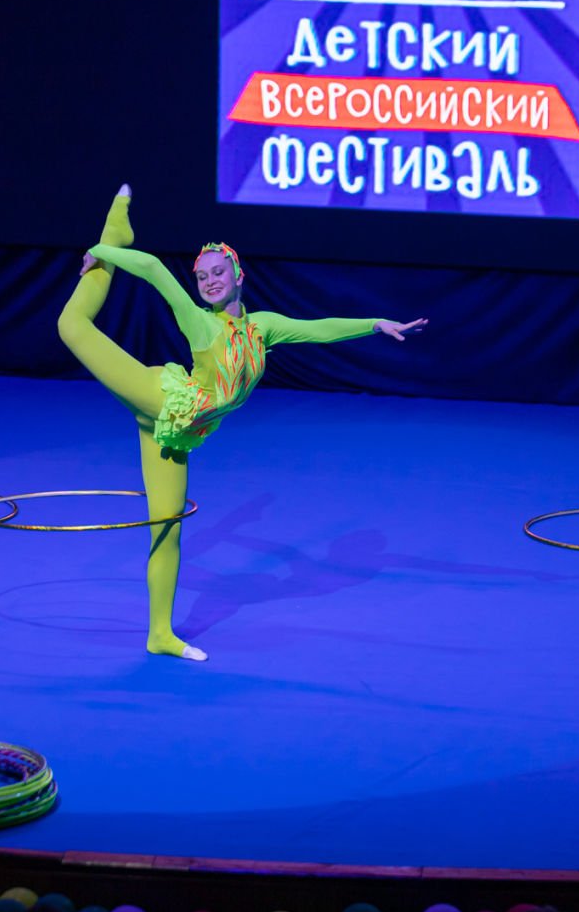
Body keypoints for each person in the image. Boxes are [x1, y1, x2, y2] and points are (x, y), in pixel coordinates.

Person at [57, 186, 427, 662]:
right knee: (72, 326)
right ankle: (114, 230)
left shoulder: (262, 328)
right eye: (202, 276)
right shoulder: (201, 323)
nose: (209, 281)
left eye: (218, 272)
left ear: (238, 276)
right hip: (159, 398)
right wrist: (103, 250)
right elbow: (152, 270)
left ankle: (160, 635)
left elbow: (318, 328)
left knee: (166, 530)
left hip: (174, 436)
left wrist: (375, 323)